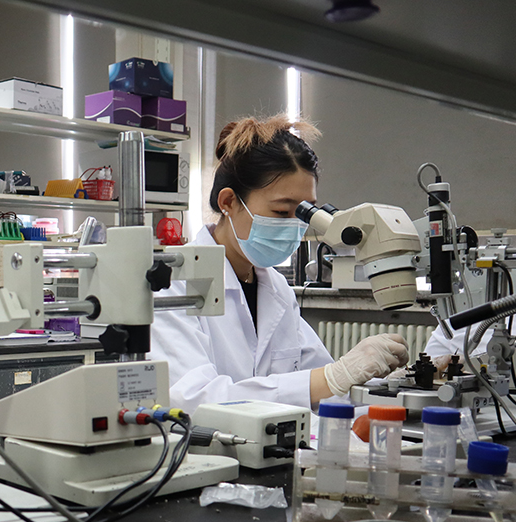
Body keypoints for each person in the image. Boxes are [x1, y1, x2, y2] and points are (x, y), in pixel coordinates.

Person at [150, 114, 409, 412]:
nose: (294, 225)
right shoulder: (173, 285)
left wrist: (382, 385)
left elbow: (324, 387)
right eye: (282, 212)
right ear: (228, 202)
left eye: (303, 213)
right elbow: (194, 399)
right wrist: (335, 377)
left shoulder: (276, 288)